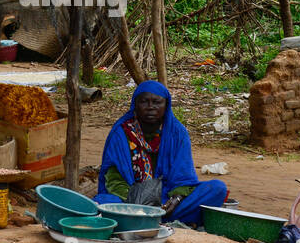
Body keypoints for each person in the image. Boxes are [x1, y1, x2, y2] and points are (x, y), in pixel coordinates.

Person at [95, 80, 227, 227]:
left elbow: (183, 178)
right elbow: (113, 179)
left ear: (166, 105)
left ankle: (152, 219)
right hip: (130, 201)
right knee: (104, 201)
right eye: (144, 102)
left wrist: (175, 199)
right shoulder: (121, 133)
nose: (150, 107)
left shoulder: (177, 133)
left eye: (157, 102)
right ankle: (149, 219)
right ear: (135, 104)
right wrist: (139, 206)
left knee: (217, 189)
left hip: (166, 202)